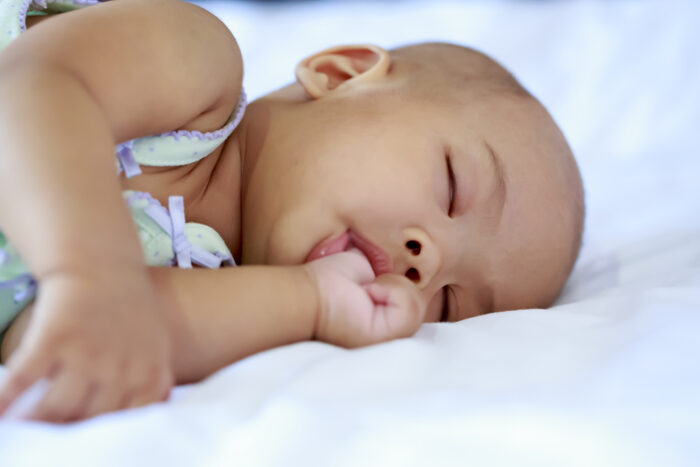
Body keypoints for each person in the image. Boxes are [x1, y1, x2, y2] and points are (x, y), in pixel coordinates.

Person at [0, 0, 584, 423]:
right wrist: (91, 270)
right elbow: (32, 84)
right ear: (342, 74)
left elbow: (80, 338)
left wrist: (314, 303)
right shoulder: (198, 70)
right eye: (453, 187)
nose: (427, 264)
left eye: (451, 303)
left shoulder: (229, 304)